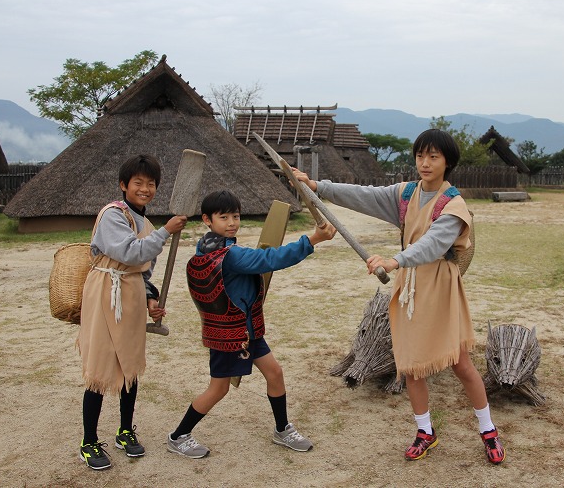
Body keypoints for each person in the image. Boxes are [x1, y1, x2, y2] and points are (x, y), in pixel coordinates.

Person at [293, 128, 506, 464]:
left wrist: (395, 260)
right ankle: (425, 432)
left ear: (447, 161)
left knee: (461, 363)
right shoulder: (406, 195)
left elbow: (433, 244)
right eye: (421, 155)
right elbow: (364, 195)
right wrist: (318, 186)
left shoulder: (454, 204)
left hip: (440, 285)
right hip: (409, 288)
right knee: (412, 366)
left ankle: (488, 430)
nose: (425, 162)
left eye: (433, 156)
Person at [166, 189, 337, 459]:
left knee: (275, 373)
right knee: (218, 388)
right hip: (230, 335)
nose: (232, 222)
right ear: (207, 220)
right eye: (224, 217)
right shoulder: (230, 256)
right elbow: (269, 260)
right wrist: (313, 239)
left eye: (235, 215)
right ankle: (178, 436)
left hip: (247, 330)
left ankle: (282, 429)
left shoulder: (210, 249)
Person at [77, 154, 187, 470]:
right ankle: (88, 442)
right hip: (105, 294)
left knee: (130, 365)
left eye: (151, 183)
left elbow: (143, 269)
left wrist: (151, 300)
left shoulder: (146, 222)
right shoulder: (113, 215)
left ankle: (125, 431)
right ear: (124, 185)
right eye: (138, 182)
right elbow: (129, 252)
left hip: (132, 293)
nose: (145, 188)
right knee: (99, 368)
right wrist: (166, 231)